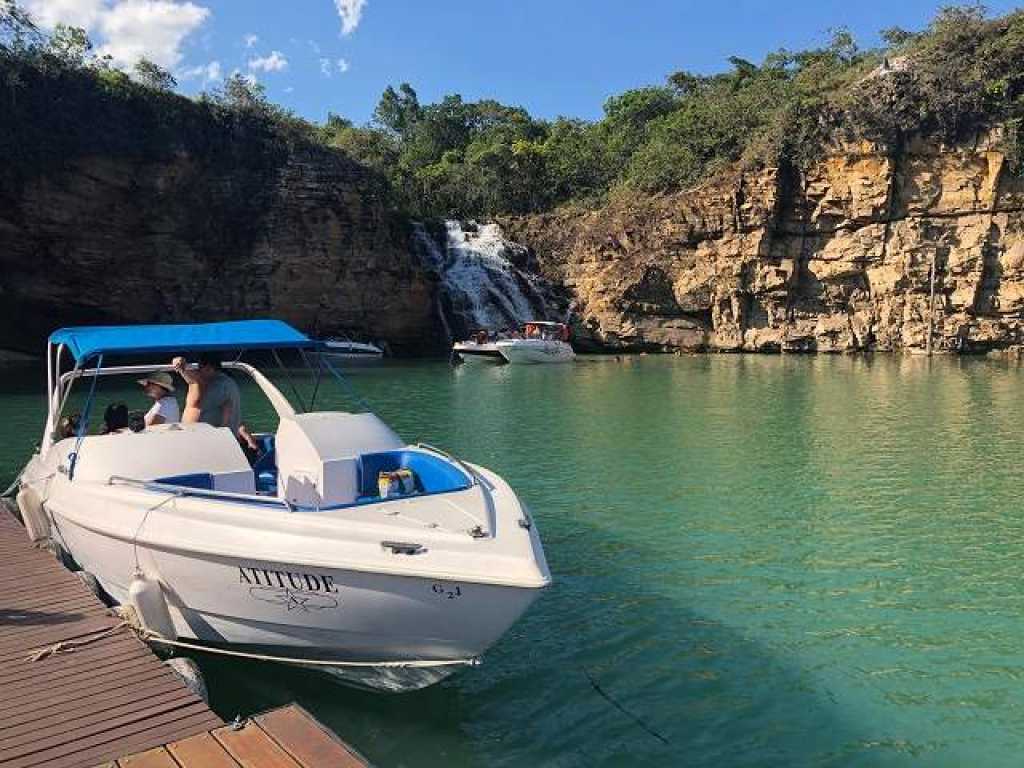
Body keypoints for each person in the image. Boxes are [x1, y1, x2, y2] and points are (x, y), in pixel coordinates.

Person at [170, 352, 241, 435]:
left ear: (208, 368)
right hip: (215, 437)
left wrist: (182, 369)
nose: (198, 371)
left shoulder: (220, 385)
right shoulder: (225, 382)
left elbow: (226, 412)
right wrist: (182, 369)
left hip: (213, 439)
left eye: (199, 368)